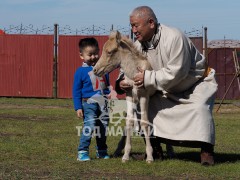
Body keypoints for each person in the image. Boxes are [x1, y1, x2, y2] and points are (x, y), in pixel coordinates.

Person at [116, 6, 218, 165]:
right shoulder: (138, 45)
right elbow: (128, 67)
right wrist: (122, 81)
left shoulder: (174, 37)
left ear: (151, 23)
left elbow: (178, 72)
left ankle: (206, 152)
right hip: (165, 89)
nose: (133, 30)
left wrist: (147, 77)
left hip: (195, 84)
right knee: (142, 109)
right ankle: (155, 151)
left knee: (199, 109)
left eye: (136, 25)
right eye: (131, 26)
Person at [73, 37, 111, 161]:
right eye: (90, 54)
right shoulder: (80, 72)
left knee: (103, 128)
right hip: (88, 104)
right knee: (89, 126)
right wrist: (78, 107)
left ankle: (101, 151)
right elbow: (76, 91)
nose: (94, 57)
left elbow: (106, 85)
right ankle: (82, 152)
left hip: (103, 103)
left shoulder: (103, 69)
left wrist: (108, 95)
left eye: (96, 53)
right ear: (81, 55)